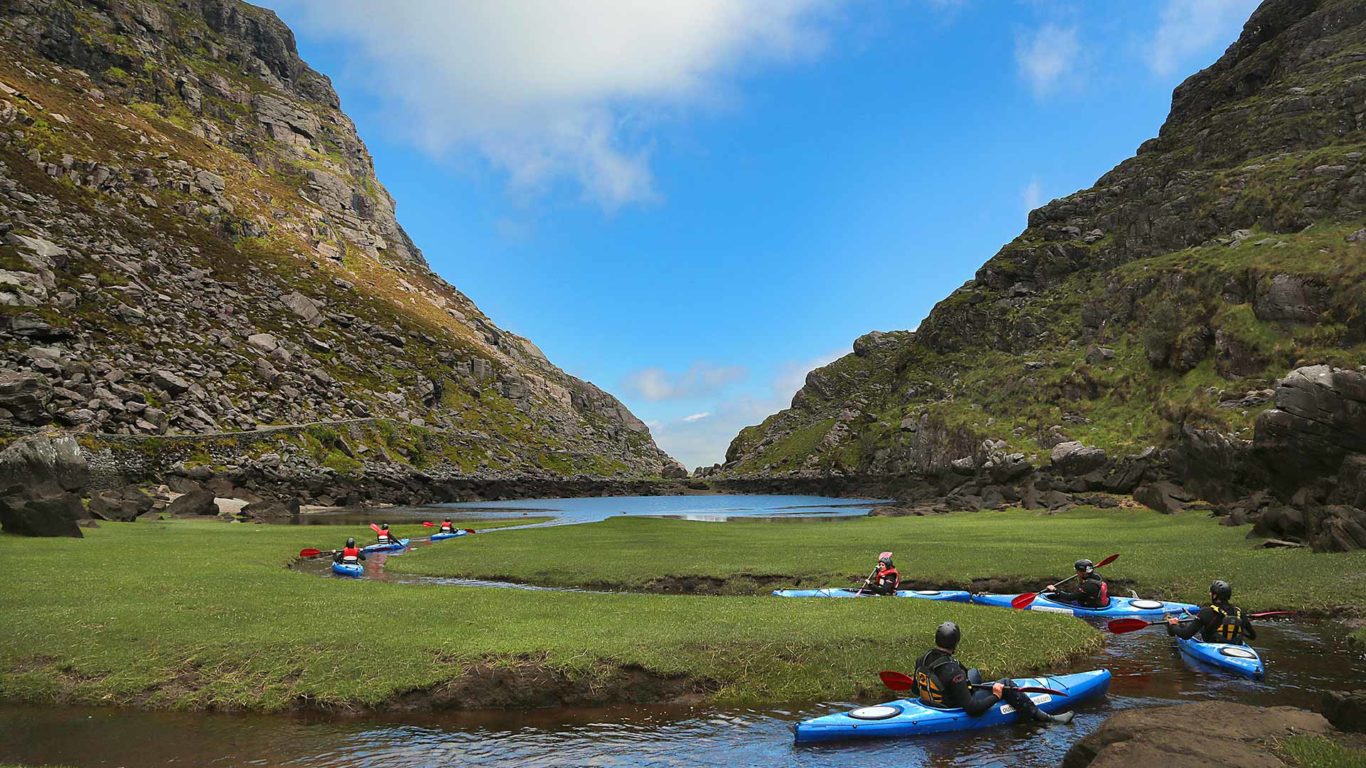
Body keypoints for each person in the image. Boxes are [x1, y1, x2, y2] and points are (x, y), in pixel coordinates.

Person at [909, 621, 1074, 724]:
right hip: (951, 705)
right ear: (955, 643)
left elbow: (916, 690)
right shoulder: (954, 671)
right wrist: (995, 695)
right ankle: (1045, 719)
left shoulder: (922, 659)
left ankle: (983, 689)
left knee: (974, 673)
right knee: (1006, 684)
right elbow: (972, 709)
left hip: (936, 700)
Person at [1166, 580, 1257, 643]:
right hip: (1235, 646)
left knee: (1187, 626)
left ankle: (1180, 622)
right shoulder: (1239, 613)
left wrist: (1173, 625)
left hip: (1211, 645)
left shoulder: (1206, 612)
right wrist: (1236, 631)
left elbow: (1185, 635)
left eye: (1211, 593)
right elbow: (1252, 636)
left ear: (1215, 596)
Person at [1043, 559, 1109, 608]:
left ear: (1082, 572)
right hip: (1095, 600)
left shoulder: (1088, 586)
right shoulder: (1097, 576)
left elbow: (1070, 597)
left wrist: (1055, 590)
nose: (1076, 572)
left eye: (1077, 571)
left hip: (1090, 606)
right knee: (1056, 597)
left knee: (1060, 600)